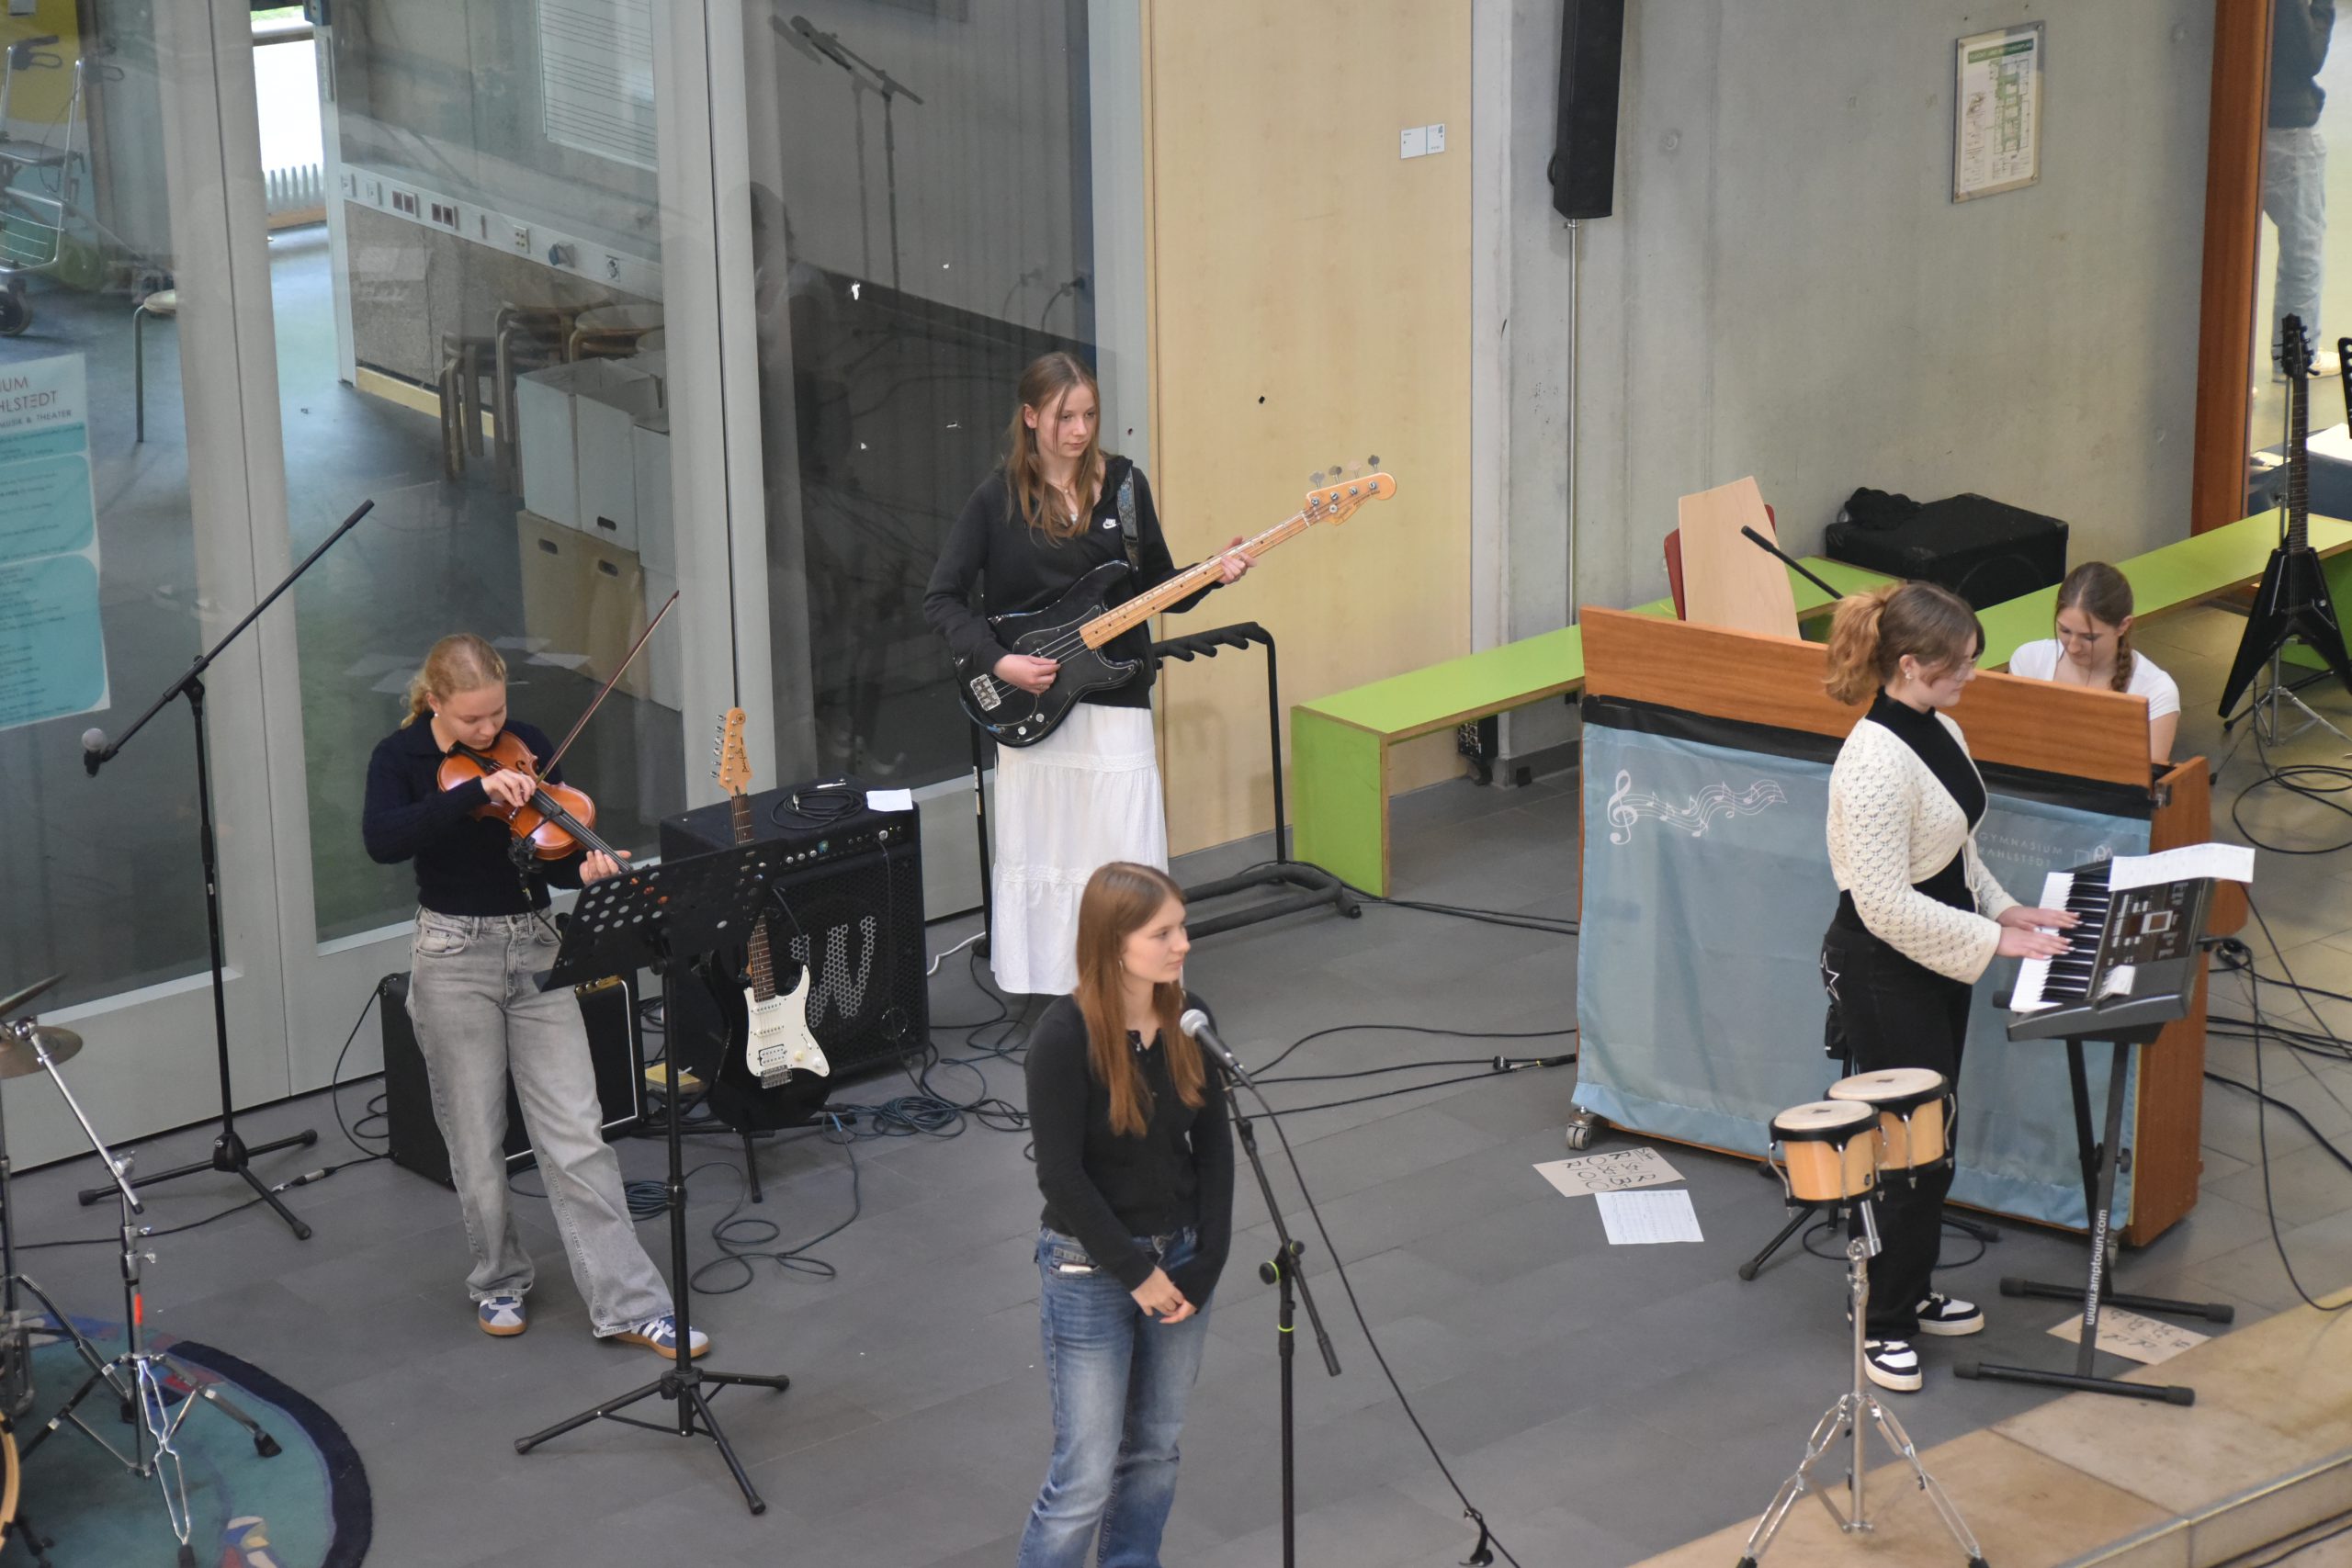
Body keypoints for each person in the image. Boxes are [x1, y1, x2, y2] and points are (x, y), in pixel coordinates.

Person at [362, 634, 705, 1359]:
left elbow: (551, 858)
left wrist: (585, 870)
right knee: (476, 1137)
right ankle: (498, 1277)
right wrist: (473, 793)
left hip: (537, 946)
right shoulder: (401, 759)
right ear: (435, 702)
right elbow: (383, 838)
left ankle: (633, 1303)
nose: (490, 729)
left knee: (578, 1133)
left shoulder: (531, 745)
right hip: (453, 955)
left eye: (497, 712)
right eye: (473, 718)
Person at [924, 353, 1250, 998]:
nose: (1079, 430)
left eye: (1089, 415)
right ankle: (1055, 985)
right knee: (1050, 847)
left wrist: (1214, 573)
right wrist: (1000, 660)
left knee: (1121, 849)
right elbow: (942, 598)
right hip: (1033, 702)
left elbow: (1159, 586)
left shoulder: (1125, 487)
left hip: (1116, 693)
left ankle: (1132, 985)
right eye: (1064, 417)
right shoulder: (996, 500)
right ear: (1030, 417)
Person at [1821, 582, 2075, 1393]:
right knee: (1908, 1151)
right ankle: (1882, 1321)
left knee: (1936, 1140)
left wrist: (2005, 909)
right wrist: (1993, 940)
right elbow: (1882, 903)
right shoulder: (1871, 761)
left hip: (1934, 958)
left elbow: (1958, 853)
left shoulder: (1940, 725)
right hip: (1883, 970)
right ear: (1908, 665)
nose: (1973, 673)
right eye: (1960, 662)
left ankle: (1910, 1286)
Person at [1019, 862, 1232, 1567]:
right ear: (1114, 943)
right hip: (1089, 1267)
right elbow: (1061, 1176)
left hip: (1182, 1255)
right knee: (1084, 1472)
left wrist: (1208, 1260)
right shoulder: (1062, 1037)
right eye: (1162, 932)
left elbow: (1215, 1148)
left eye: (1182, 927)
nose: (1183, 944)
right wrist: (1139, 1273)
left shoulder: (1190, 1018)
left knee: (1155, 1450)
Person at [2007, 561, 2180, 764]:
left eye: (2089, 637)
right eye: (2064, 631)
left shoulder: (2156, 690)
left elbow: (2147, 777)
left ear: (2123, 626)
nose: (2073, 647)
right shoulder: (2029, 660)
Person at [2267, 0, 2338, 378]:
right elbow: (2308, 55)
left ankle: (2225, 372)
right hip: (2287, 130)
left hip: (2232, 117)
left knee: (2223, 249)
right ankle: (2295, 361)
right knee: (2302, 253)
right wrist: (2323, 8)